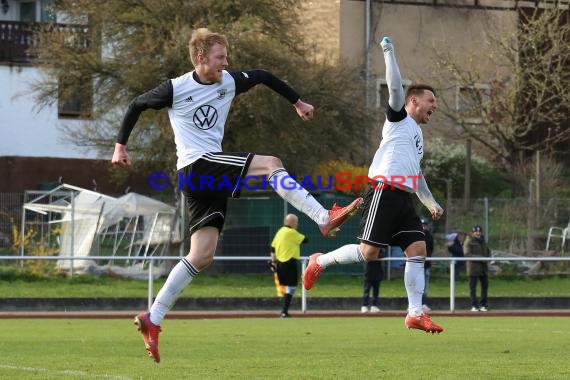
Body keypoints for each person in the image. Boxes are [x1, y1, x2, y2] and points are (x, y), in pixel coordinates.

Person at [112, 28, 362, 363]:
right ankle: (322, 217)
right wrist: (120, 146)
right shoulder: (176, 88)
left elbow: (262, 76)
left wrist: (297, 101)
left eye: (226, 57)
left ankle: (152, 318)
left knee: (202, 255)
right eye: (220, 57)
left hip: (203, 178)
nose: (226, 63)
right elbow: (136, 104)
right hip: (198, 166)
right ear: (201, 58)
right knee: (272, 164)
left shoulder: (228, 81)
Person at [302, 37, 444, 334]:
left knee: (417, 248)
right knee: (369, 253)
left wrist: (429, 202)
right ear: (414, 101)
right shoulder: (399, 119)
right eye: (432, 101)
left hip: (403, 198)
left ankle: (415, 314)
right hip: (382, 190)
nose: (435, 106)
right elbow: (394, 87)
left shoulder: (418, 137)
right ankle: (319, 262)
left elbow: (416, 175)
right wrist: (389, 51)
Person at [270, 214, 307, 318]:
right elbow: (305, 239)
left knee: (286, 287)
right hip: (290, 263)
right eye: (296, 222)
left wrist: (273, 263)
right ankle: (284, 311)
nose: (297, 224)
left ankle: (284, 310)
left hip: (280, 263)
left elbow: (272, 249)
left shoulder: (279, 232)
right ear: (291, 222)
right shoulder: (292, 232)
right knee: (291, 287)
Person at [463, 224, 491, 312]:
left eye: (479, 231)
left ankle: (483, 305)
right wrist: (480, 258)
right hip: (473, 268)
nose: (478, 233)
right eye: (476, 232)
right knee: (473, 288)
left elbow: (488, 251)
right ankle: (474, 305)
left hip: (483, 269)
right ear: (472, 233)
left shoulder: (483, 241)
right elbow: (467, 254)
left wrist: (488, 258)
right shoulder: (468, 241)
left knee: (485, 286)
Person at [421, 218, 433, 312]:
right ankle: (413, 305)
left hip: (426, 265)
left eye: (425, 225)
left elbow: (431, 249)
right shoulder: (415, 235)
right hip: (417, 265)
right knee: (414, 286)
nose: (423, 227)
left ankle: (424, 303)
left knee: (425, 286)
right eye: (422, 225)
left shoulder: (429, 236)